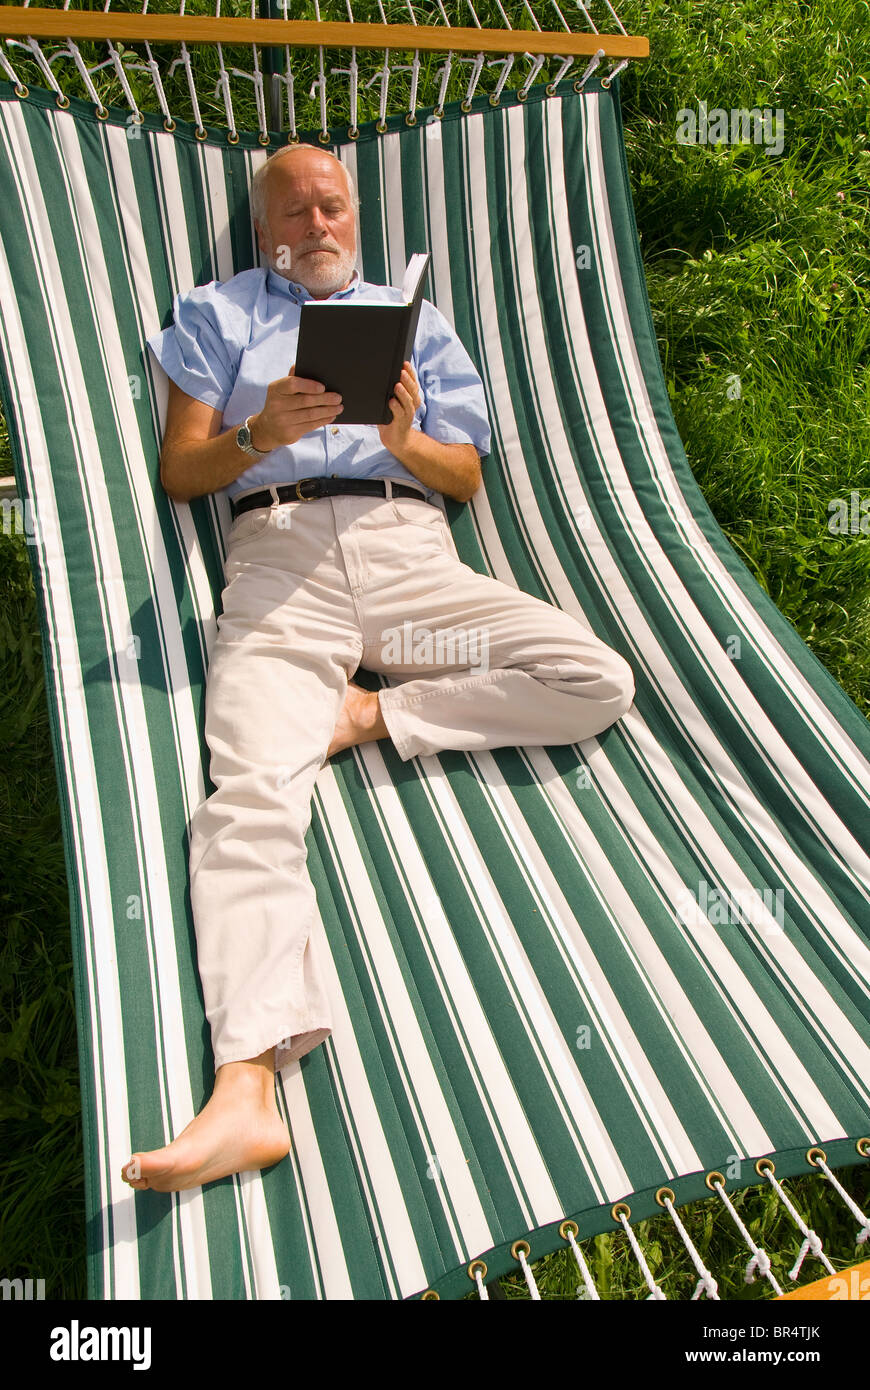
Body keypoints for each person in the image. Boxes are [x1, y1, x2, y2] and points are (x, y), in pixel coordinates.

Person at [122, 143, 634, 1194]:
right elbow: (183, 471)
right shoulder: (216, 317)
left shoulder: (417, 326)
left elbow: (467, 476)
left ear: (356, 218)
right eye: (296, 210)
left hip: (412, 563)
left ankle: (372, 720)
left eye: (333, 205)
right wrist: (259, 433)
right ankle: (247, 1086)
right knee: (249, 796)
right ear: (265, 233)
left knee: (595, 678)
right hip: (279, 565)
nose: (317, 222)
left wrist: (403, 438)